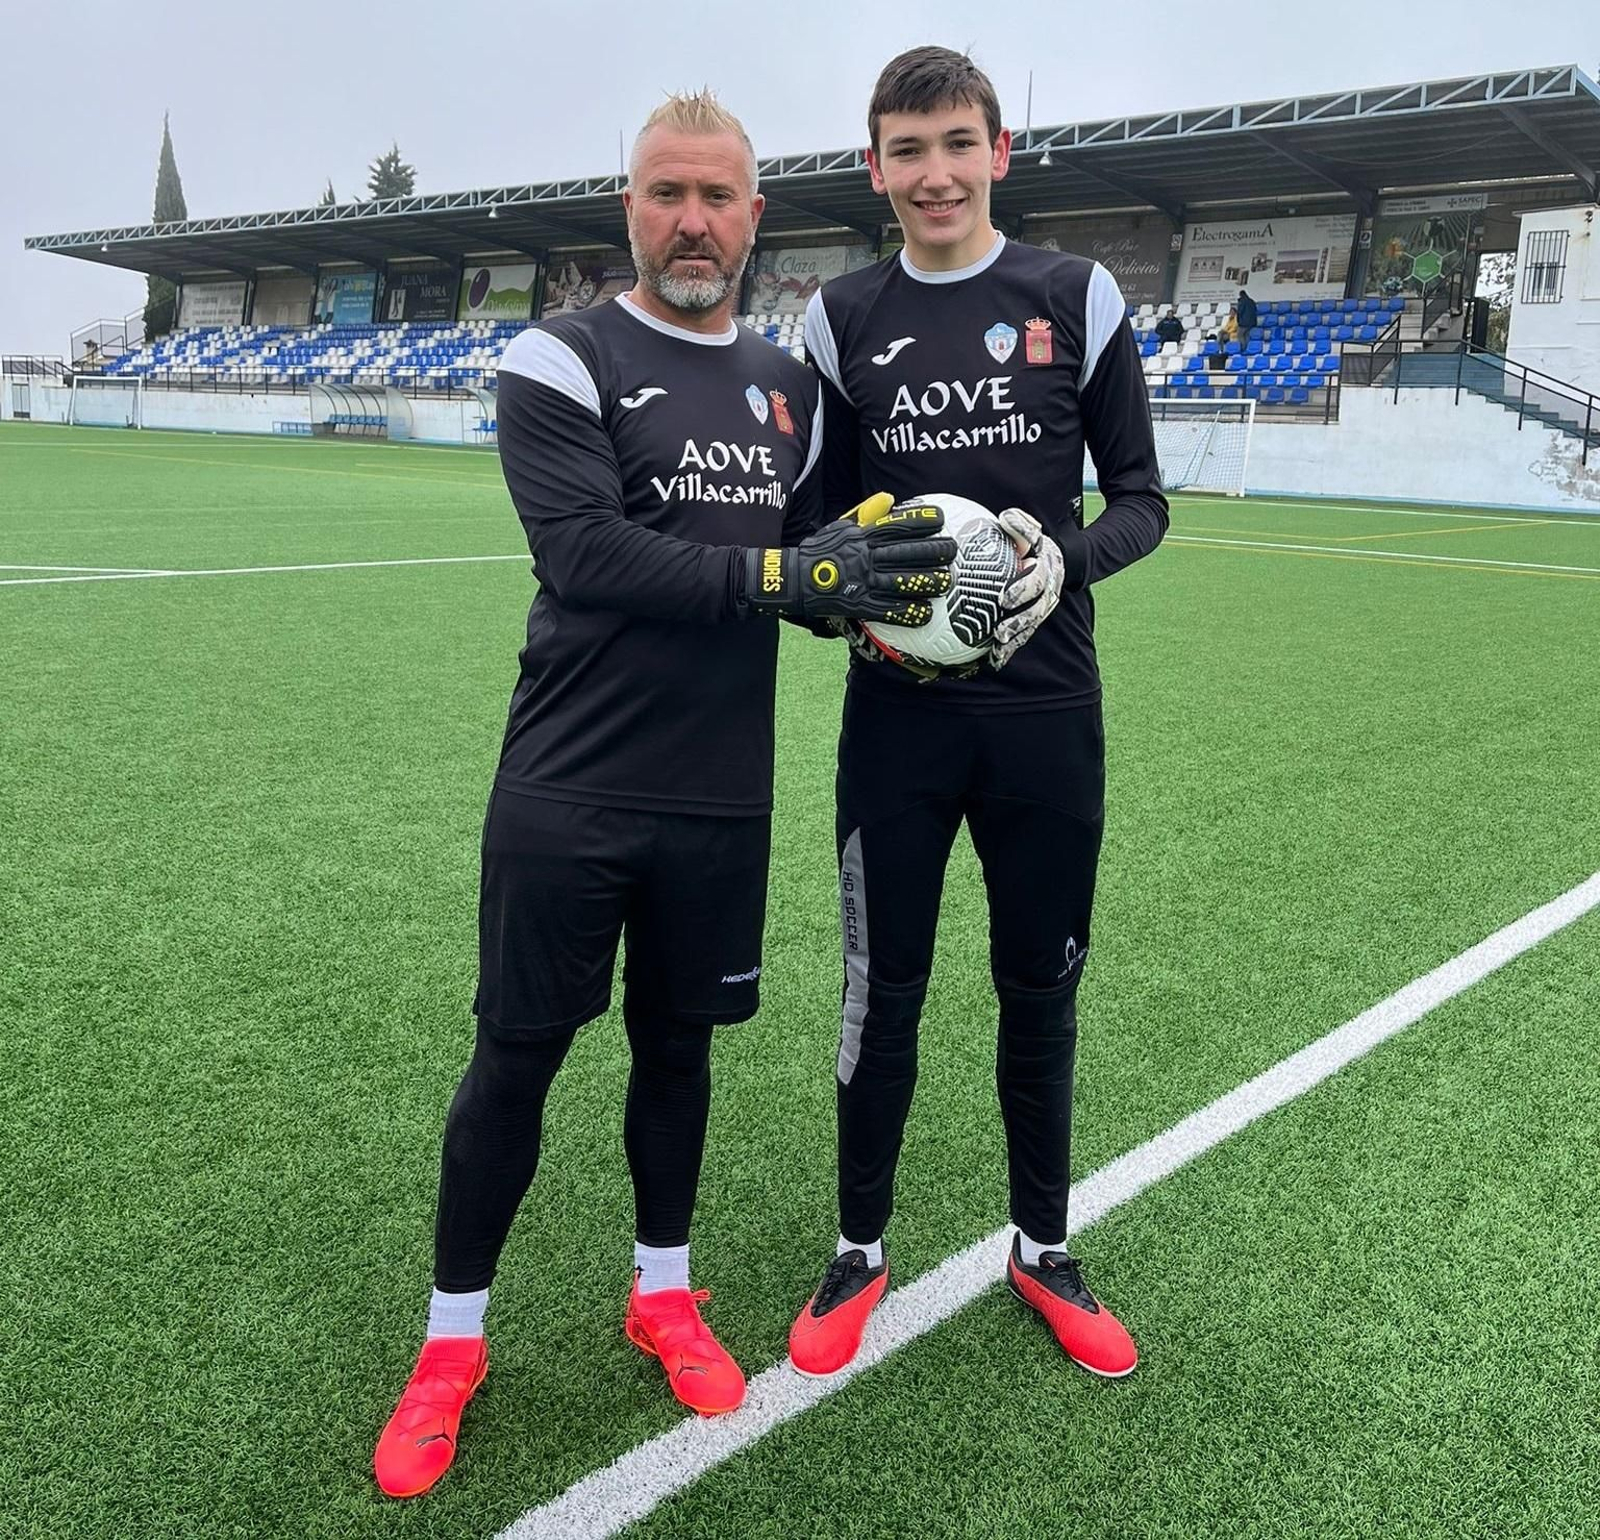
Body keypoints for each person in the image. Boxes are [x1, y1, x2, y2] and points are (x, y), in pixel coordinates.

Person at [371, 90, 956, 1500]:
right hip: (568, 787)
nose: (692, 222)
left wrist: (906, 597)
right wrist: (790, 575)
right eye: (666, 194)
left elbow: (818, 566)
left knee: (678, 1054)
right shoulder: (560, 357)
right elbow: (587, 554)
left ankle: (664, 1294)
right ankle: (451, 1344)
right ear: (628, 207)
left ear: (757, 217)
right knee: (515, 1059)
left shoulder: (790, 389)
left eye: (717, 197)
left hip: (718, 797)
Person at [791, 46, 1168, 1383]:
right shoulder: (840, 318)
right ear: (875, 166)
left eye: (958, 143)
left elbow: (1142, 500)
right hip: (895, 723)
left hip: (1045, 714)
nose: (936, 173)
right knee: (878, 989)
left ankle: (1044, 1248)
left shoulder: (1076, 295)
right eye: (909, 149)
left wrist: (1069, 559)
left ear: (999, 152)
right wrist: (842, 598)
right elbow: (808, 534)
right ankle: (859, 1249)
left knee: (1040, 988)